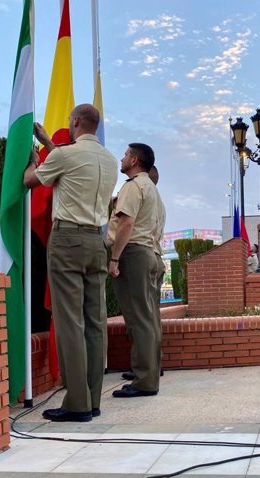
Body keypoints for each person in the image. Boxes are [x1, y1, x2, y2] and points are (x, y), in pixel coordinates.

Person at [23, 104, 118, 422]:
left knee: (69, 323)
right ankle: (92, 400)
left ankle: (76, 403)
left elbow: (30, 181)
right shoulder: (109, 159)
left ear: (76, 122)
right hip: (95, 242)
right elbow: (74, 165)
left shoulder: (65, 155)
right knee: (94, 323)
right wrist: (51, 143)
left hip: (67, 241)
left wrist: (35, 159)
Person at [107, 143, 166, 398]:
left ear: (134, 160)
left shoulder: (133, 186)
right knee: (149, 318)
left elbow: (127, 223)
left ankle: (144, 381)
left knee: (139, 320)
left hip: (134, 253)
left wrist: (115, 258)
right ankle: (149, 372)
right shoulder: (151, 189)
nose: (122, 158)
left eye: (125, 154)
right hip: (150, 253)